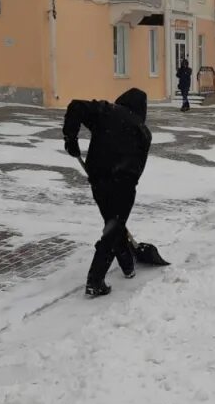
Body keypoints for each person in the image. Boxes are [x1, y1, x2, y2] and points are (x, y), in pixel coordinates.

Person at [62, 88, 152, 298]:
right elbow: (139, 167)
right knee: (114, 228)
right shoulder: (144, 132)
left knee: (112, 224)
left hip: (99, 180)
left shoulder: (106, 111)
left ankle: (127, 265)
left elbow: (75, 105)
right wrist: (127, 185)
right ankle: (95, 280)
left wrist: (70, 138)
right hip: (124, 184)